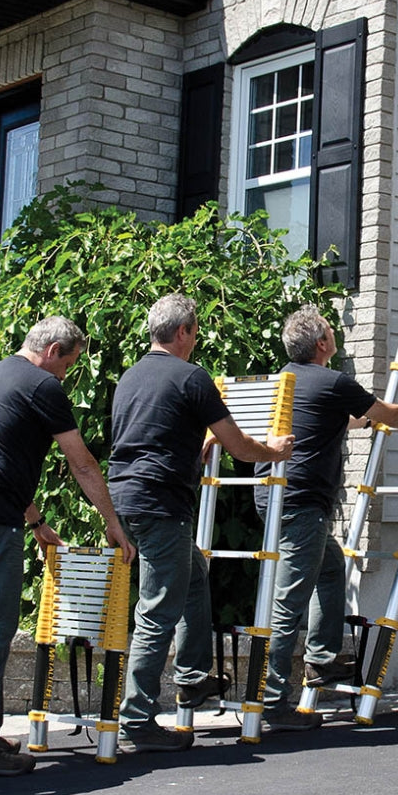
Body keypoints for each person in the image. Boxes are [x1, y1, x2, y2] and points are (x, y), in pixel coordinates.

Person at [0, 316, 134, 777]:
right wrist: (113, 522)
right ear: (51, 352)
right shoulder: (43, 386)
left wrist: (37, 522)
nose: (65, 375)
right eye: (67, 364)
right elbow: (82, 463)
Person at [254, 304, 398, 731]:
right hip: (302, 501)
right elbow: (391, 414)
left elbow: (320, 421)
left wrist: (357, 425)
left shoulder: (285, 382)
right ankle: (273, 704)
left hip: (271, 497)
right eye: (330, 332)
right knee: (289, 602)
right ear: (323, 344)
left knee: (329, 572)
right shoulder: (333, 381)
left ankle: (322, 662)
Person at [109, 293, 294, 753]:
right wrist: (275, 451)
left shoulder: (131, 377)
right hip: (160, 504)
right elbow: (239, 446)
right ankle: (137, 721)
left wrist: (198, 442)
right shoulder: (193, 378)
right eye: (195, 331)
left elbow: (152, 435)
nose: (196, 339)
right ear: (185, 332)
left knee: (193, 574)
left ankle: (193, 677)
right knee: (157, 612)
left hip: (125, 500)